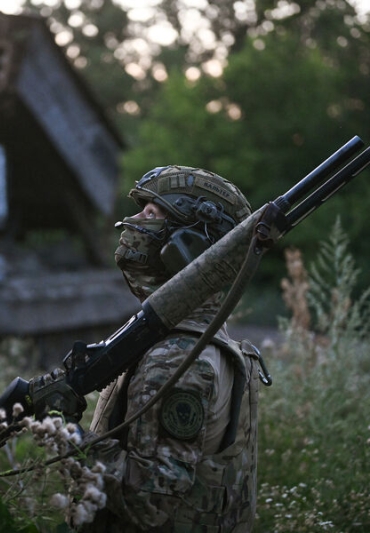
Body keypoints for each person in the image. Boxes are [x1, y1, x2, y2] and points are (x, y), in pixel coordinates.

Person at [79, 165, 264, 532]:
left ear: (187, 247)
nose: (132, 222)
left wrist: (68, 437)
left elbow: (147, 503)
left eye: (150, 214)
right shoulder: (199, 339)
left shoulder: (178, 358)